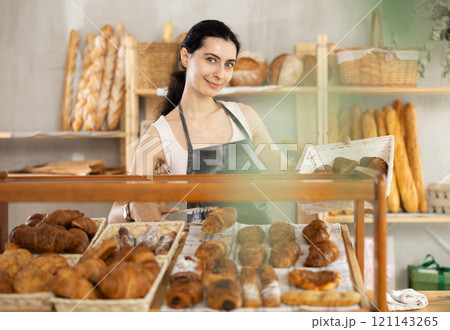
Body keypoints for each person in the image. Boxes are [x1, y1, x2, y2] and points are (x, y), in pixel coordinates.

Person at [108, 19, 290, 224]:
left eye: (229, 64)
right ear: (186, 57)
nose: (220, 74)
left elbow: (286, 172)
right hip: (199, 251)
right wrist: (131, 208)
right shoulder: (159, 134)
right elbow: (113, 216)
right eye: (211, 60)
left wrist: (322, 170)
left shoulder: (245, 116)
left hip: (258, 247)